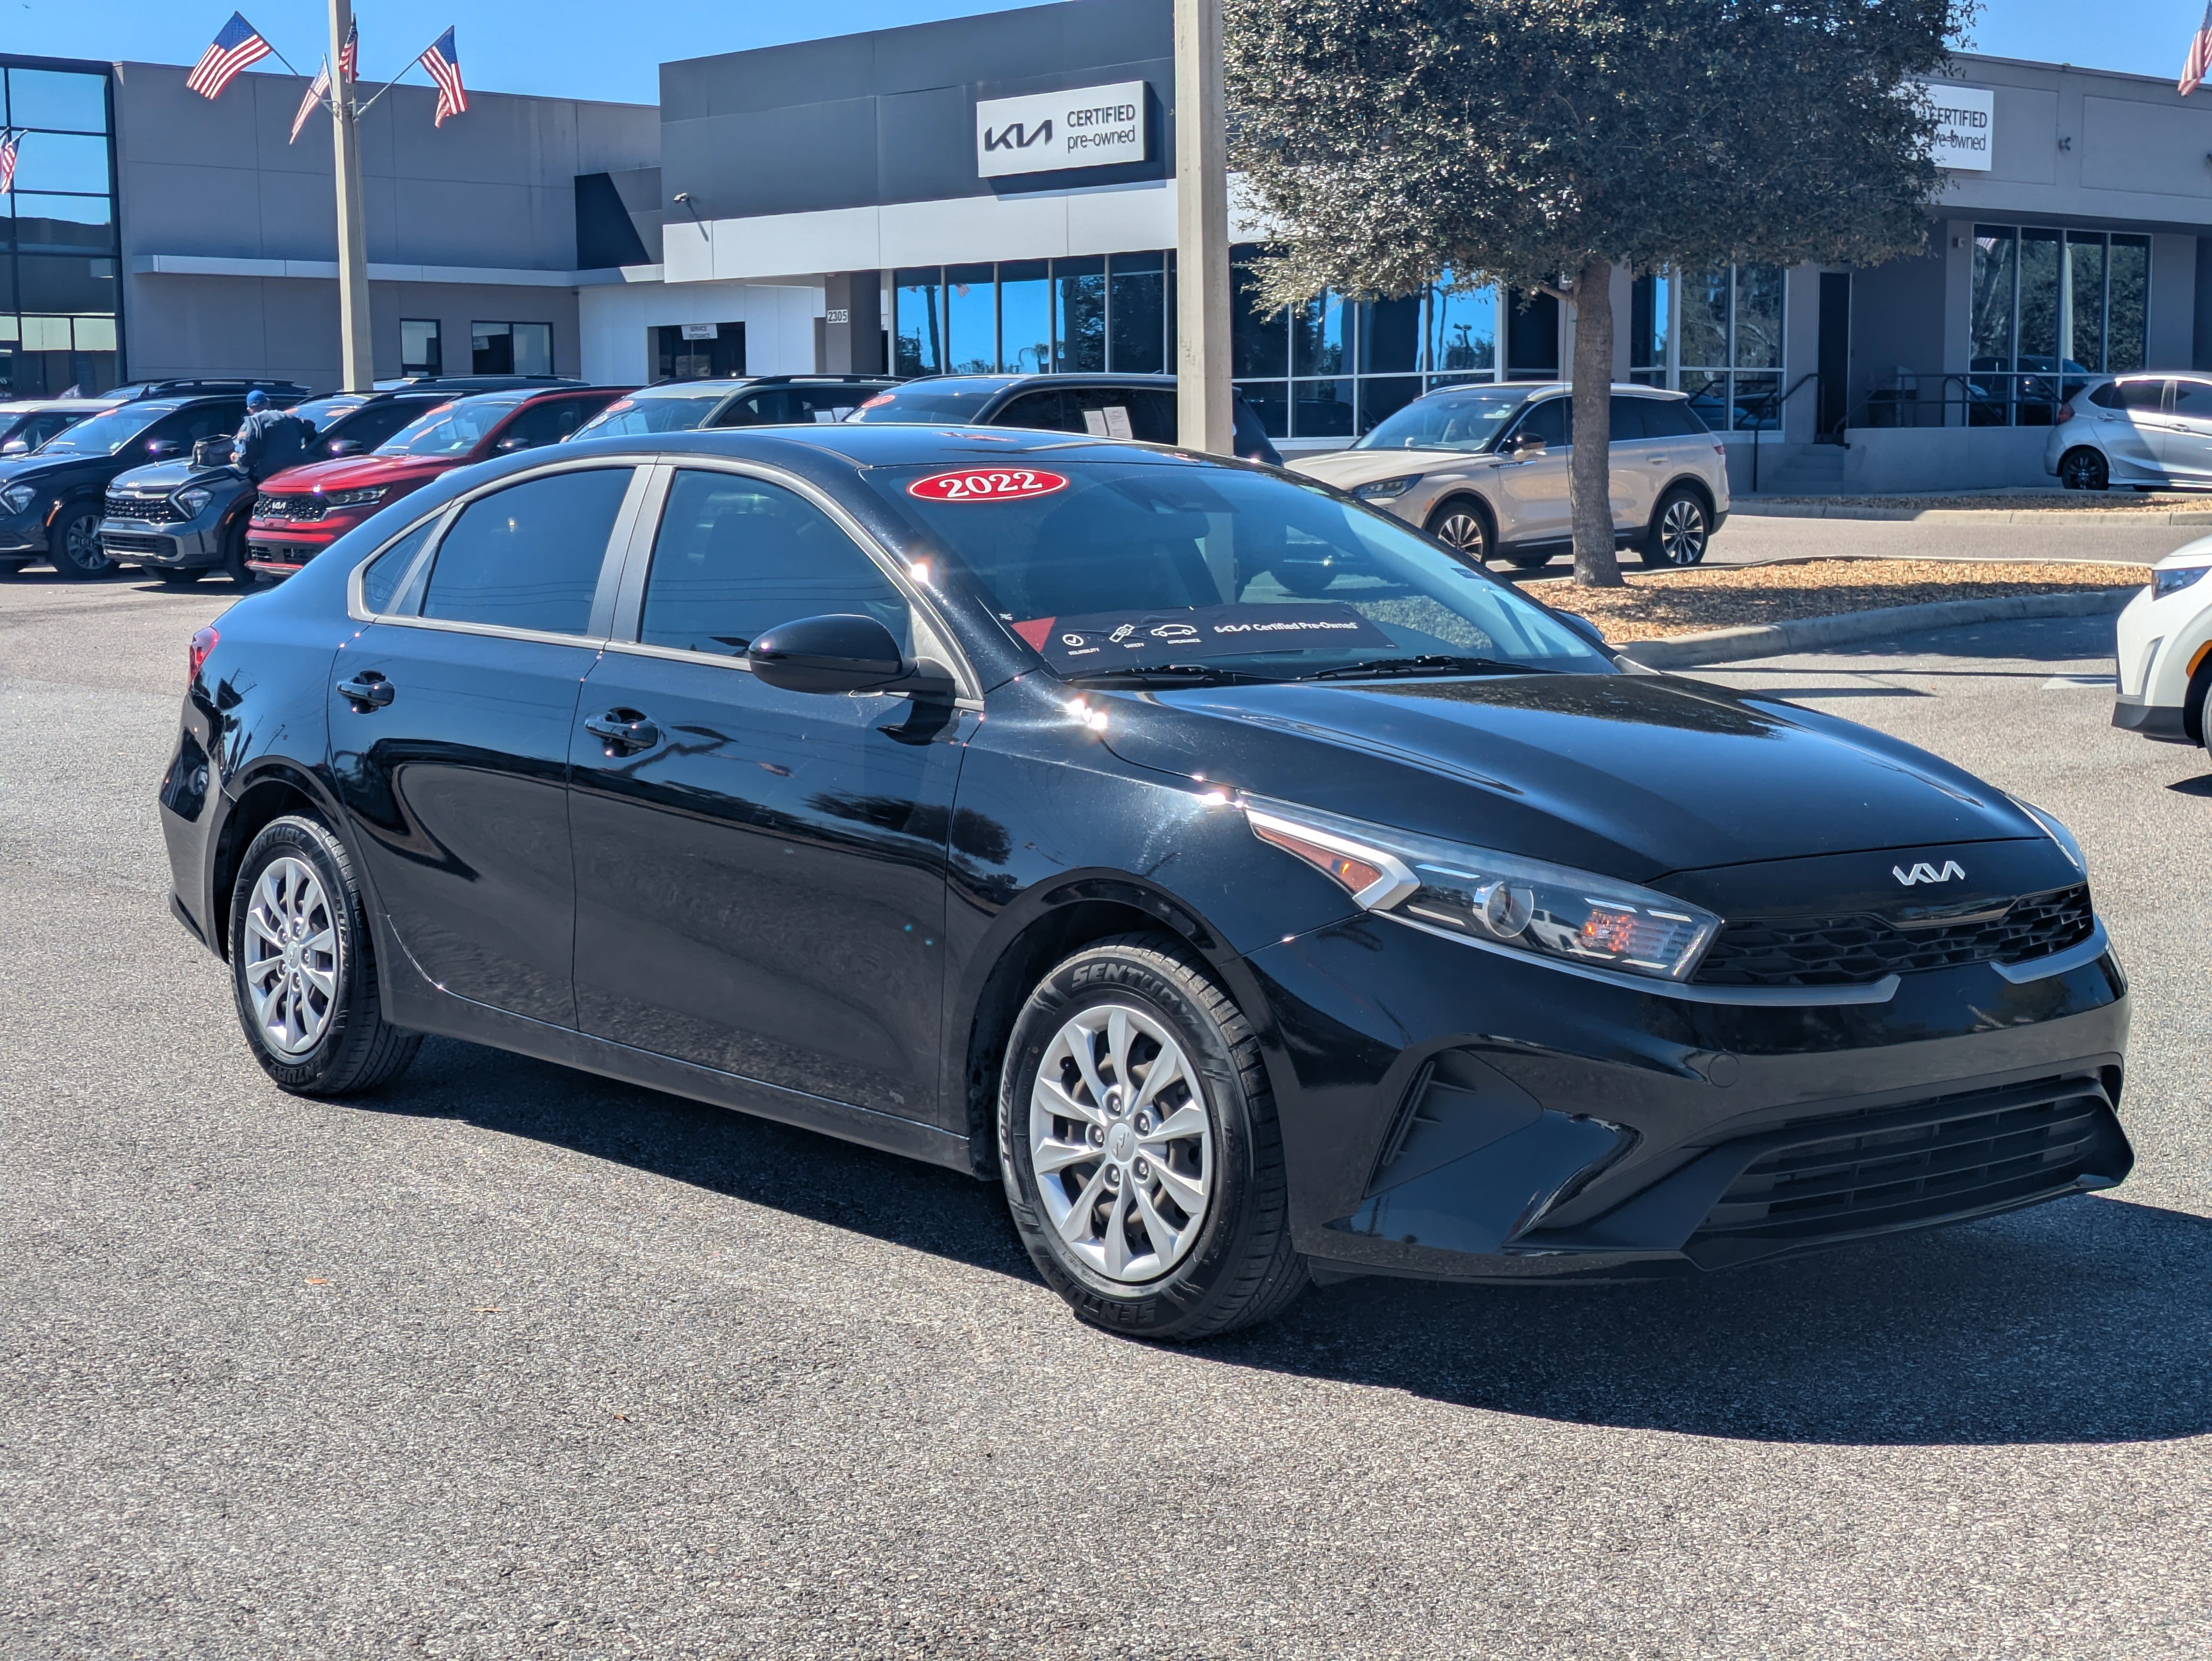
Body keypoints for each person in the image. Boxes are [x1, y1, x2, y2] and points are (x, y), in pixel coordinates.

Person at [231, 389, 313, 481]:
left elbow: (247, 457)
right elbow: (309, 427)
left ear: (249, 410)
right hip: (298, 472)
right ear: (268, 403)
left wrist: (237, 458)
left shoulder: (251, 423)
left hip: (271, 478)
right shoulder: (286, 417)